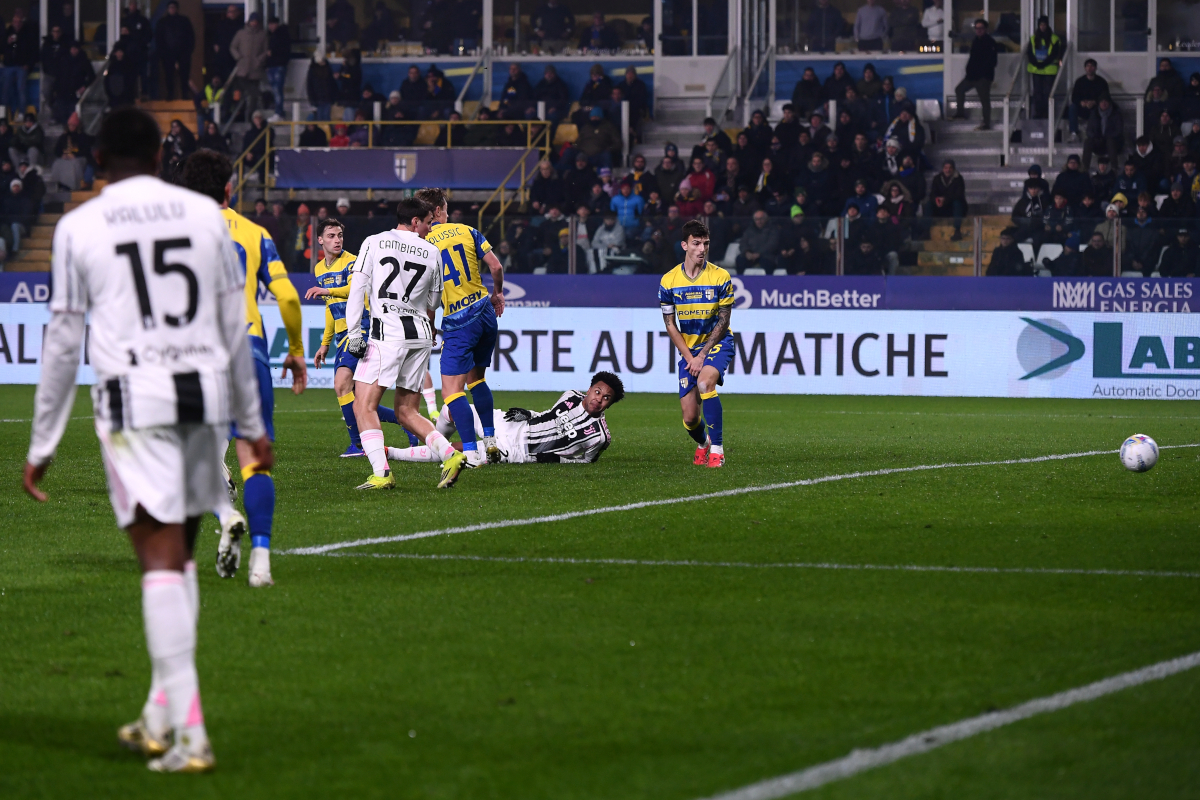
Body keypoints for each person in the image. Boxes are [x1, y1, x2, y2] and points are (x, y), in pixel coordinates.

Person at [24, 108, 268, 774]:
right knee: (179, 559)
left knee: (159, 561)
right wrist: (251, 426)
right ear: (161, 156)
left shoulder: (80, 226)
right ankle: (160, 716)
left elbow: (64, 341)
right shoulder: (206, 218)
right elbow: (234, 325)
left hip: (136, 403)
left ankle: (192, 737)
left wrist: (43, 443)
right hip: (205, 399)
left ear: (96, 157)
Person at [181, 150, 306, 587]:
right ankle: (261, 564)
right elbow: (288, 297)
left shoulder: (172, 233)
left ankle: (225, 515)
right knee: (254, 461)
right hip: (247, 349)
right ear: (229, 189)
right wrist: (295, 349)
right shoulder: (255, 233)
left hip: (194, 352)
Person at [341, 197, 455, 487]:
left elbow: (357, 289)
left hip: (387, 335)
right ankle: (450, 454)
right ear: (415, 222)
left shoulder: (374, 242)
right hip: (420, 336)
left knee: (363, 406)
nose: (430, 228)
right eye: (428, 222)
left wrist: (354, 334)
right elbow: (434, 302)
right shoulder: (432, 252)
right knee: (407, 411)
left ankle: (382, 474)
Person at [304, 219, 418, 455]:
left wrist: (327, 290)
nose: (337, 240)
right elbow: (330, 306)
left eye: (340, 235)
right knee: (358, 400)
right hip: (341, 335)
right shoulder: (319, 269)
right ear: (320, 240)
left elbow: (356, 289)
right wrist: (325, 343)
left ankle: (358, 445)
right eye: (331, 236)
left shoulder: (353, 262)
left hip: (361, 328)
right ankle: (407, 424)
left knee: (341, 384)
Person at [415, 187, 506, 471]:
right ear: (439, 209)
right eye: (445, 208)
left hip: (458, 320)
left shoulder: (423, 244)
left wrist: (430, 325)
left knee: (451, 392)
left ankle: (471, 452)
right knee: (476, 380)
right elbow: (496, 267)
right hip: (484, 312)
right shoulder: (468, 231)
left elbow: (430, 294)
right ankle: (490, 440)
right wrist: (497, 294)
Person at [387, 374, 623, 466]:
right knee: (453, 408)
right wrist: (529, 413)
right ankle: (430, 437)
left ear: (610, 404)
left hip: (517, 450)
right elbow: (550, 415)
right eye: (597, 391)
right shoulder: (571, 395)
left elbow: (584, 461)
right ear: (590, 388)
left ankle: (390, 452)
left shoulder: (600, 436)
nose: (599, 399)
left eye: (606, 398)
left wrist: (553, 459)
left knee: (454, 451)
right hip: (513, 424)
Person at [659, 219, 733, 468]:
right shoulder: (669, 281)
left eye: (706, 243)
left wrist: (701, 356)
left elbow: (724, 321)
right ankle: (704, 443)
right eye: (696, 243)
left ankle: (718, 450)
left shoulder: (720, 277)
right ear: (685, 245)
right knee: (690, 418)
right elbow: (670, 325)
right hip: (689, 350)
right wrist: (690, 357)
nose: (702, 249)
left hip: (717, 343)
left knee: (705, 383)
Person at [954, 19, 998, 131]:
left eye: (981, 28)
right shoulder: (975, 41)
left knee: (984, 100)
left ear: (986, 29)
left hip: (983, 77)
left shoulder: (990, 42)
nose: (978, 30)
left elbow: (992, 62)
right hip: (972, 76)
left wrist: (982, 73)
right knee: (959, 89)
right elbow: (973, 58)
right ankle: (960, 114)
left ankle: (986, 123)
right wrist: (969, 71)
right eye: (977, 28)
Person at [155, 1, 194, 101]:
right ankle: (170, 94)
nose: (172, 9)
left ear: (177, 9)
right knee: (169, 75)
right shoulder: (162, 22)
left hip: (183, 53)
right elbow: (158, 38)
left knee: (184, 75)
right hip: (168, 53)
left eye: (173, 7)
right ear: (167, 9)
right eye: (170, 7)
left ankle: (185, 94)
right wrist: (162, 52)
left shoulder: (184, 21)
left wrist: (188, 50)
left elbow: (191, 36)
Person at [229, 12, 267, 115]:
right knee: (245, 91)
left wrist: (259, 60)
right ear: (249, 21)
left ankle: (251, 115)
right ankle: (242, 113)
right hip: (242, 68)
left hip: (256, 69)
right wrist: (238, 57)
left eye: (256, 21)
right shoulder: (241, 33)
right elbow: (233, 47)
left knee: (253, 96)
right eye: (252, 21)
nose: (254, 23)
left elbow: (266, 50)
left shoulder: (262, 34)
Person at [1026, 15, 1063, 120]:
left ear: (1047, 25)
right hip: (1037, 70)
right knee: (1037, 93)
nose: (1042, 27)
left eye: (1044, 24)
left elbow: (1054, 54)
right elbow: (1030, 52)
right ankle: (1038, 113)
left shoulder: (1054, 39)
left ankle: (1047, 113)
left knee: (1047, 93)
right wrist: (1036, 63)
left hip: (1049, 70)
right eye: (1041, 24)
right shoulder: (1033, 38)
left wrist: (1042, 64)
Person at [1068, 59, 1109, 144]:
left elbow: (1106, 97)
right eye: (1088, 66)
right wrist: (1081, 102)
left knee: (1101, 109)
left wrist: (1094, 102)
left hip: (1095, 108)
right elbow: (1074, 97)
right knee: (1072, 107)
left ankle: (1096, 135)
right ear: (1085, 68)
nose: (1089, 68)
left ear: (1095, 68)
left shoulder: (1102, 82)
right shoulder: (1079, 81)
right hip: (1082, 108)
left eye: (1092, 66)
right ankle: (1074, 133)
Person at [49, 111, 92, 191]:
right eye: (69, 125)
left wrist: (75, 155)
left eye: (73, 125)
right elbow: (56, 150)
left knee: (73, 165)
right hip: (66, 157)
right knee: (57, 163)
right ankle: (59, 185)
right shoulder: (64, 136)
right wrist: (62, 154)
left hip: (79, 158)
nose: (71, 127)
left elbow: (86, 150)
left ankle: (73, 186)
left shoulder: (83, 136)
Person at [1082, 96, 1123, 170]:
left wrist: (1108, 136)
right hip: (1098, 141)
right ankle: (1084, 168)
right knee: (1088, 142)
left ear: (1109, 103)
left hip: (1113, 142)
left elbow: (1119, 130)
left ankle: (1114, 168)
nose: (1104, 103)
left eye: (1105, 101)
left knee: (1110, 141)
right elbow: (1089, 130)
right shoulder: (1094, 113)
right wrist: (1095, 137)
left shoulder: (1116, 114)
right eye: (1101, 101)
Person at [306, 52, 336, 120]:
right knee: (321, 117)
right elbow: (310, 86)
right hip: (319, 99)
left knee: (325, 116)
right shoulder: (313, 71)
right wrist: (312, 99)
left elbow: (332, 83)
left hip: (327, 98)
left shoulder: (327, 69)